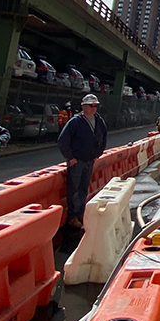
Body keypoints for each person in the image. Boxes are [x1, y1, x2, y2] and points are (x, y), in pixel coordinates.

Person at [57, 93, 108, 229]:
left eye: (95, 106)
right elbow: (63, 140)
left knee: (83, 188)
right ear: (83, 106)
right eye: (91, 106)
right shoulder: (75, 122)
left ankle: (80, 213)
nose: (93, 108)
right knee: (73, 189)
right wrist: (70, 157)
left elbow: (103, 138)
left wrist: (98, 154)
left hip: (89, 160)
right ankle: (73, 217)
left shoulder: (98, 121)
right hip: (77, 161)